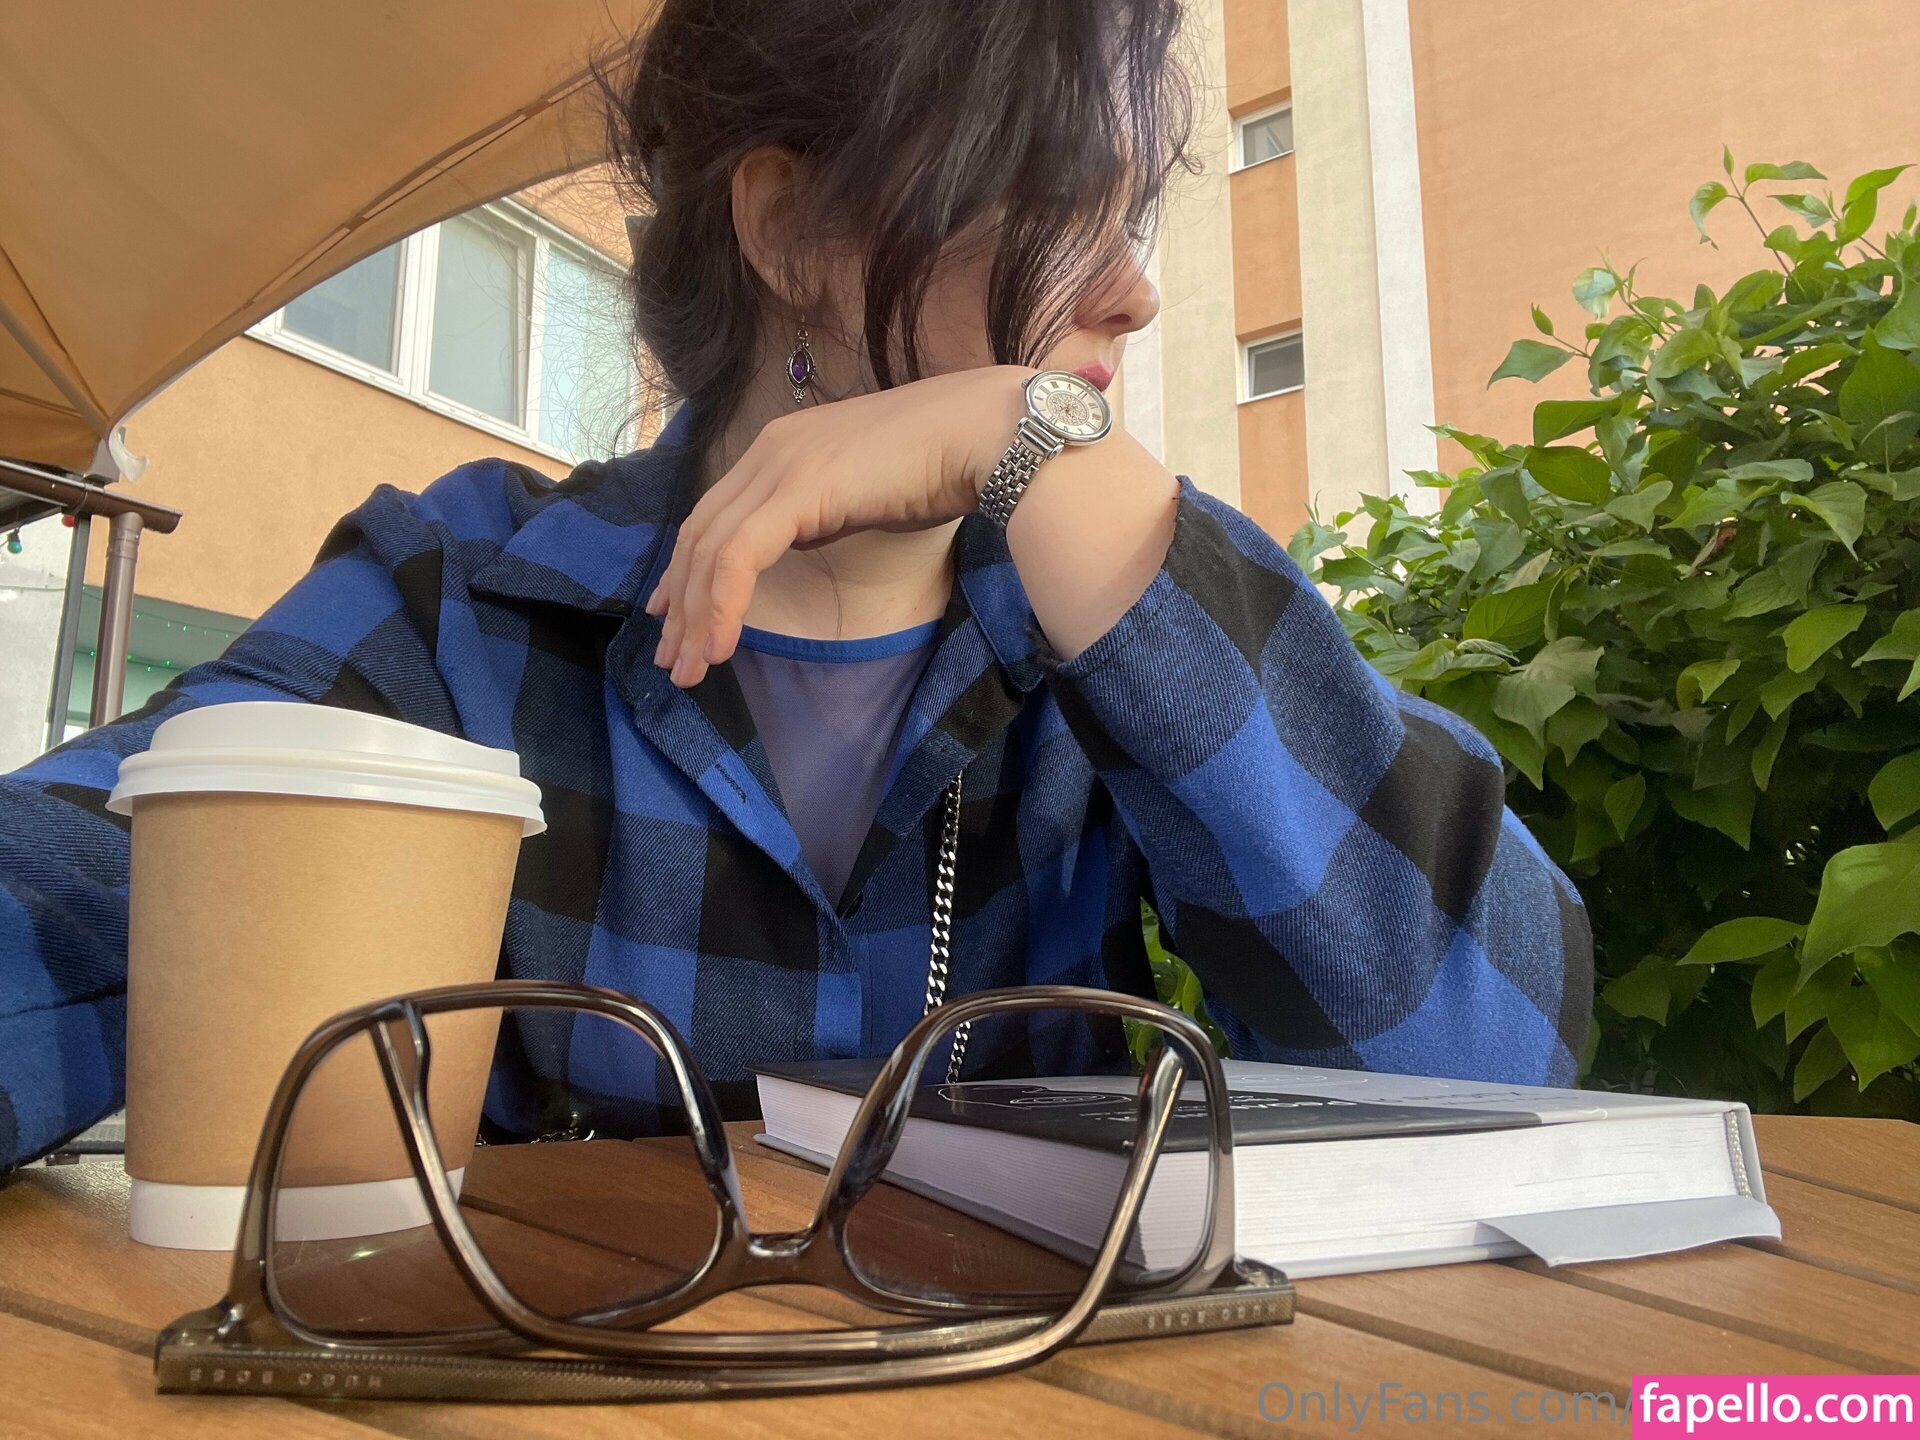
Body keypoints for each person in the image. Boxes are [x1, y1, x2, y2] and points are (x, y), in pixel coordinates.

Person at [0, 0, 1591, 1171]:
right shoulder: (460, 610)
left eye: (1133, 217)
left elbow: (1498, 1059)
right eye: (1058, 207)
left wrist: (1053, 455)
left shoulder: (1116, 624)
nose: (1134, 291)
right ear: (792, 226)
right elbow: (59, 901)